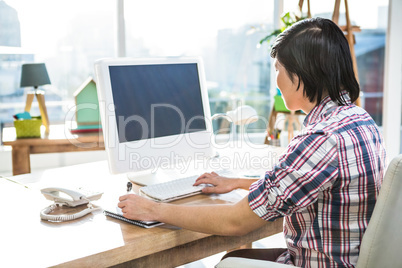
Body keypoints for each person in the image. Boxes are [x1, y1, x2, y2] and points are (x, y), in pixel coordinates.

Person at [118, 17, 387, 267]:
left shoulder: (319, 140)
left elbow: (236, 222)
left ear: (302, 73)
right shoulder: (360, 121)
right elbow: (306, 183)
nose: (277, 81)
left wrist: (153, 209)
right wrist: (237, 182)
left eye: (279, 69)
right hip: (348, 260)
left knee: (230, 263)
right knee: (235, 258)